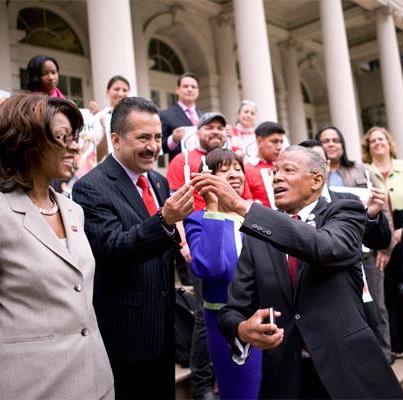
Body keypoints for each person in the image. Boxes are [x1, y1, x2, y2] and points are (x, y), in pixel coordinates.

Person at [191, 145, 403, 399]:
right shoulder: (257, 237)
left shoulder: (344, 212)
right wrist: (243, 329)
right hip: (285, 380)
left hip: (350, 372)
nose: (277, 177)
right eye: (275, 172)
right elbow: (232, 311)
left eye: (288, 170)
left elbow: (324, 247)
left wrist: (241, 206)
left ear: (316, 180)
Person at [72, 96, 194, 399]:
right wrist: (165, 220)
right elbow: (113, 248)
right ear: (116, 139)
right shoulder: (90, 187)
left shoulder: (158, 181)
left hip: (164, 329)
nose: (153, 146)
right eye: (143, 138)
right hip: (126, 335)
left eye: (157, 137)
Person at [0, 93, 114, 399]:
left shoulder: (73, 209)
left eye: (74, 137)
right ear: (26, 141)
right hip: (31, 386)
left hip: (95, 379)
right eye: (62, 137)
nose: (74, 146)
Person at [184, 148, 262, 400]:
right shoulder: (199, 220)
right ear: (208, 177)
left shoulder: (257, 215)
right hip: (224, 320)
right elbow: (209, 268)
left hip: (265, 315)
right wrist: (214, 209)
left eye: (238, 168)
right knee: (242, 392)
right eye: (224, 170)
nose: (234, 175)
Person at [316, 126, 393, 361]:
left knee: (376, 306)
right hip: (338, 250)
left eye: (335, 140)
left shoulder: (361, 169)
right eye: (325, 141)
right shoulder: (314, 178)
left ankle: (384, 355)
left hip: (367, 250)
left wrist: (385, 248)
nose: (331, 144)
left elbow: (382, 210)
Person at [166, 111, 229, 400]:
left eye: (220, 127)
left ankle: (223, 376)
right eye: (209, 127)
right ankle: (201, 384)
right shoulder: (184, 160)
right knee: (205, 316)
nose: (215, 131)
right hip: (198, 234)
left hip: (230, 232)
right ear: (198, 131)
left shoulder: (229, 159)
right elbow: (175, 199)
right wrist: (184, 242)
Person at [362, 126, 403, 353]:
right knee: (387, 292)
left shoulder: (402, 167)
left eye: (381, 139)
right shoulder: (365, 171)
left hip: (402, 227)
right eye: (373, 141)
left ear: (389, 142)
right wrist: (388, 240)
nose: (378, 143)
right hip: (381, 236)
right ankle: (395, 344)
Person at [161, 72, 203, 161]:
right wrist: (173, 140)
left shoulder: (204, 117)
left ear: (198, 91)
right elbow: (159, 148)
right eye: (185, 86)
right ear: (177, 89)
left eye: (193, 87)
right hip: (181, 168)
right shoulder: (166, 115)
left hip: (205, 167)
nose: (190, 89)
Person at [244, 121, 285, 207]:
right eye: (274, 141)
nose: (279, 147)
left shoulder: (284, 167)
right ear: (259, 141)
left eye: (281, 142)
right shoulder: (246, 169)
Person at [94, 75, 131, 161]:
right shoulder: (99, 117)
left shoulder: (134, 118)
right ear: (107, 92)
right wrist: (106, 130)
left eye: (124, 90)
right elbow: (97, 157)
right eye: (116, 89)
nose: (121, 93)